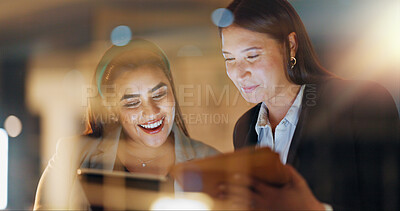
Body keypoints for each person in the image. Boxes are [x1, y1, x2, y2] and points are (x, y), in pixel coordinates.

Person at [216, 0, 399, 210]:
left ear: (290, 46)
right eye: (229, 59)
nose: (239, 73)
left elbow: (389, 200)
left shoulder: (363, 103)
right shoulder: (244, 128)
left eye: (252, 55)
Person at [33, 39, 219, 210]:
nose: (152, 112)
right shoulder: (71, 156)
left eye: (159, 94)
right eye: (132, 102)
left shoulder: (213, 162)